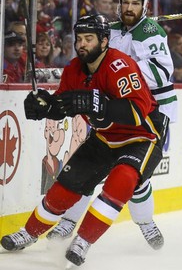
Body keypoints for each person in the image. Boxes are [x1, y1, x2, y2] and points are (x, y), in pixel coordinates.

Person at [0, 14, 165, 267]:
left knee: (122, 180)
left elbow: (136, 112)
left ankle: (83, 241)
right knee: (65, 186)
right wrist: (44, 105)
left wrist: (97, 104)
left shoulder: (120, 66)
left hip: (142, 137)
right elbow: (63, 105)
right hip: (104, 138)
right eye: (79, 39)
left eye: (89, 39)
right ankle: (29, 232)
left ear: (104, 40)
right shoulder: (74, 69)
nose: (82, 44)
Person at [46, 0, 176, 251]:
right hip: (113, 110)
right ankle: (70, 220)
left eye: (135, 4)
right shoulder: (110, 31)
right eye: (125, 2)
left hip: (151, 113)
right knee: (90, 169)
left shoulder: (152, 33)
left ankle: (145, 221)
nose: (129, 8)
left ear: (145, 6)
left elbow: (163, 74)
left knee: (137, 178)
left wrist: (123, 68)